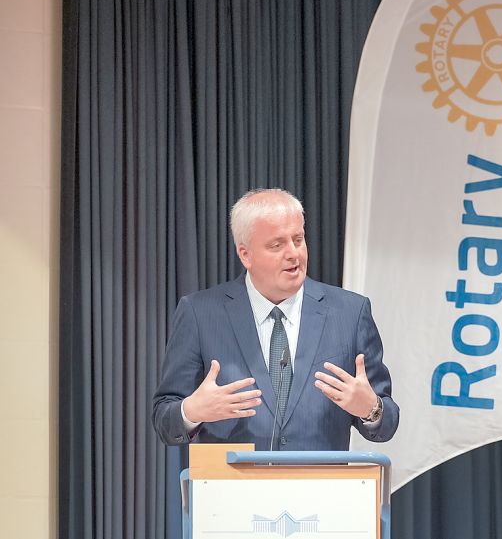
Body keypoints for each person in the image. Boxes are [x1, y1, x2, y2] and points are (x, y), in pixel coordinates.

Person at [152, 188, 398, 450]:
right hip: (231, 487)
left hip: (321, 487)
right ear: (245, 254)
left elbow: (387, 422)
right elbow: (165, 420)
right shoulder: (200, 313)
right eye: (277, 245)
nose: (293, 253)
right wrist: (191, 411)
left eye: (299, 239)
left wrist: (372, 409)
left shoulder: (349, 313)